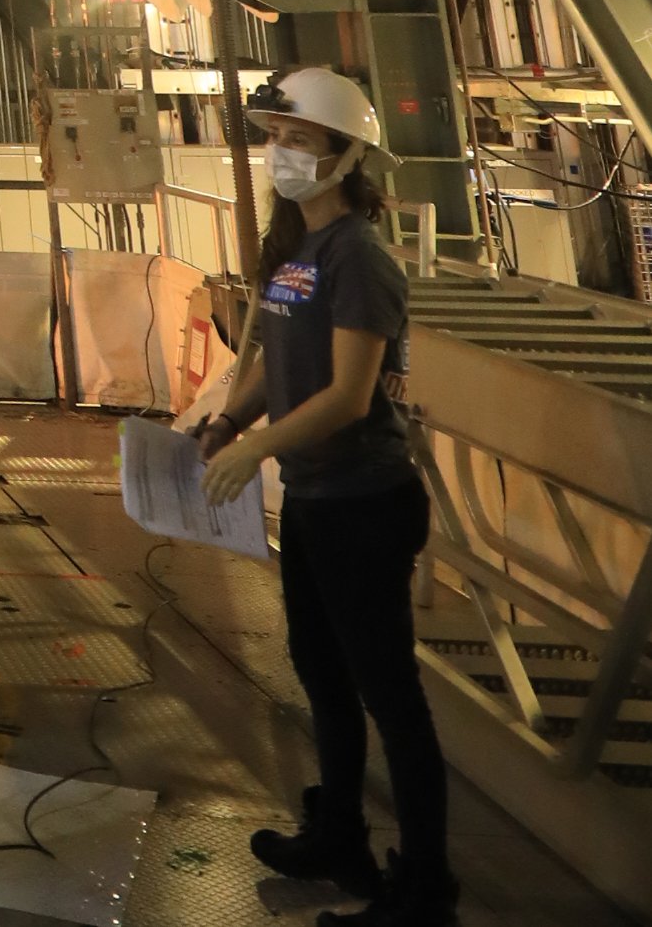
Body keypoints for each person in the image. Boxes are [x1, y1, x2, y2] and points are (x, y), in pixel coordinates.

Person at [199, 67, 452, 925]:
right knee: (321, 676)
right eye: (275, 137)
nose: (281, 154)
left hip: (364, 503)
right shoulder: (296, 254)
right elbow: (275, 359)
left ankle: (424, 886)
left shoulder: (361, 258)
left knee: (390, 696)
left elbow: (349, 394)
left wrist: (260, 448)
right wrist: (227, 422)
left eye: (299, 139)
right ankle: (338, 832)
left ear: (346, 157)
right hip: (314, 499)